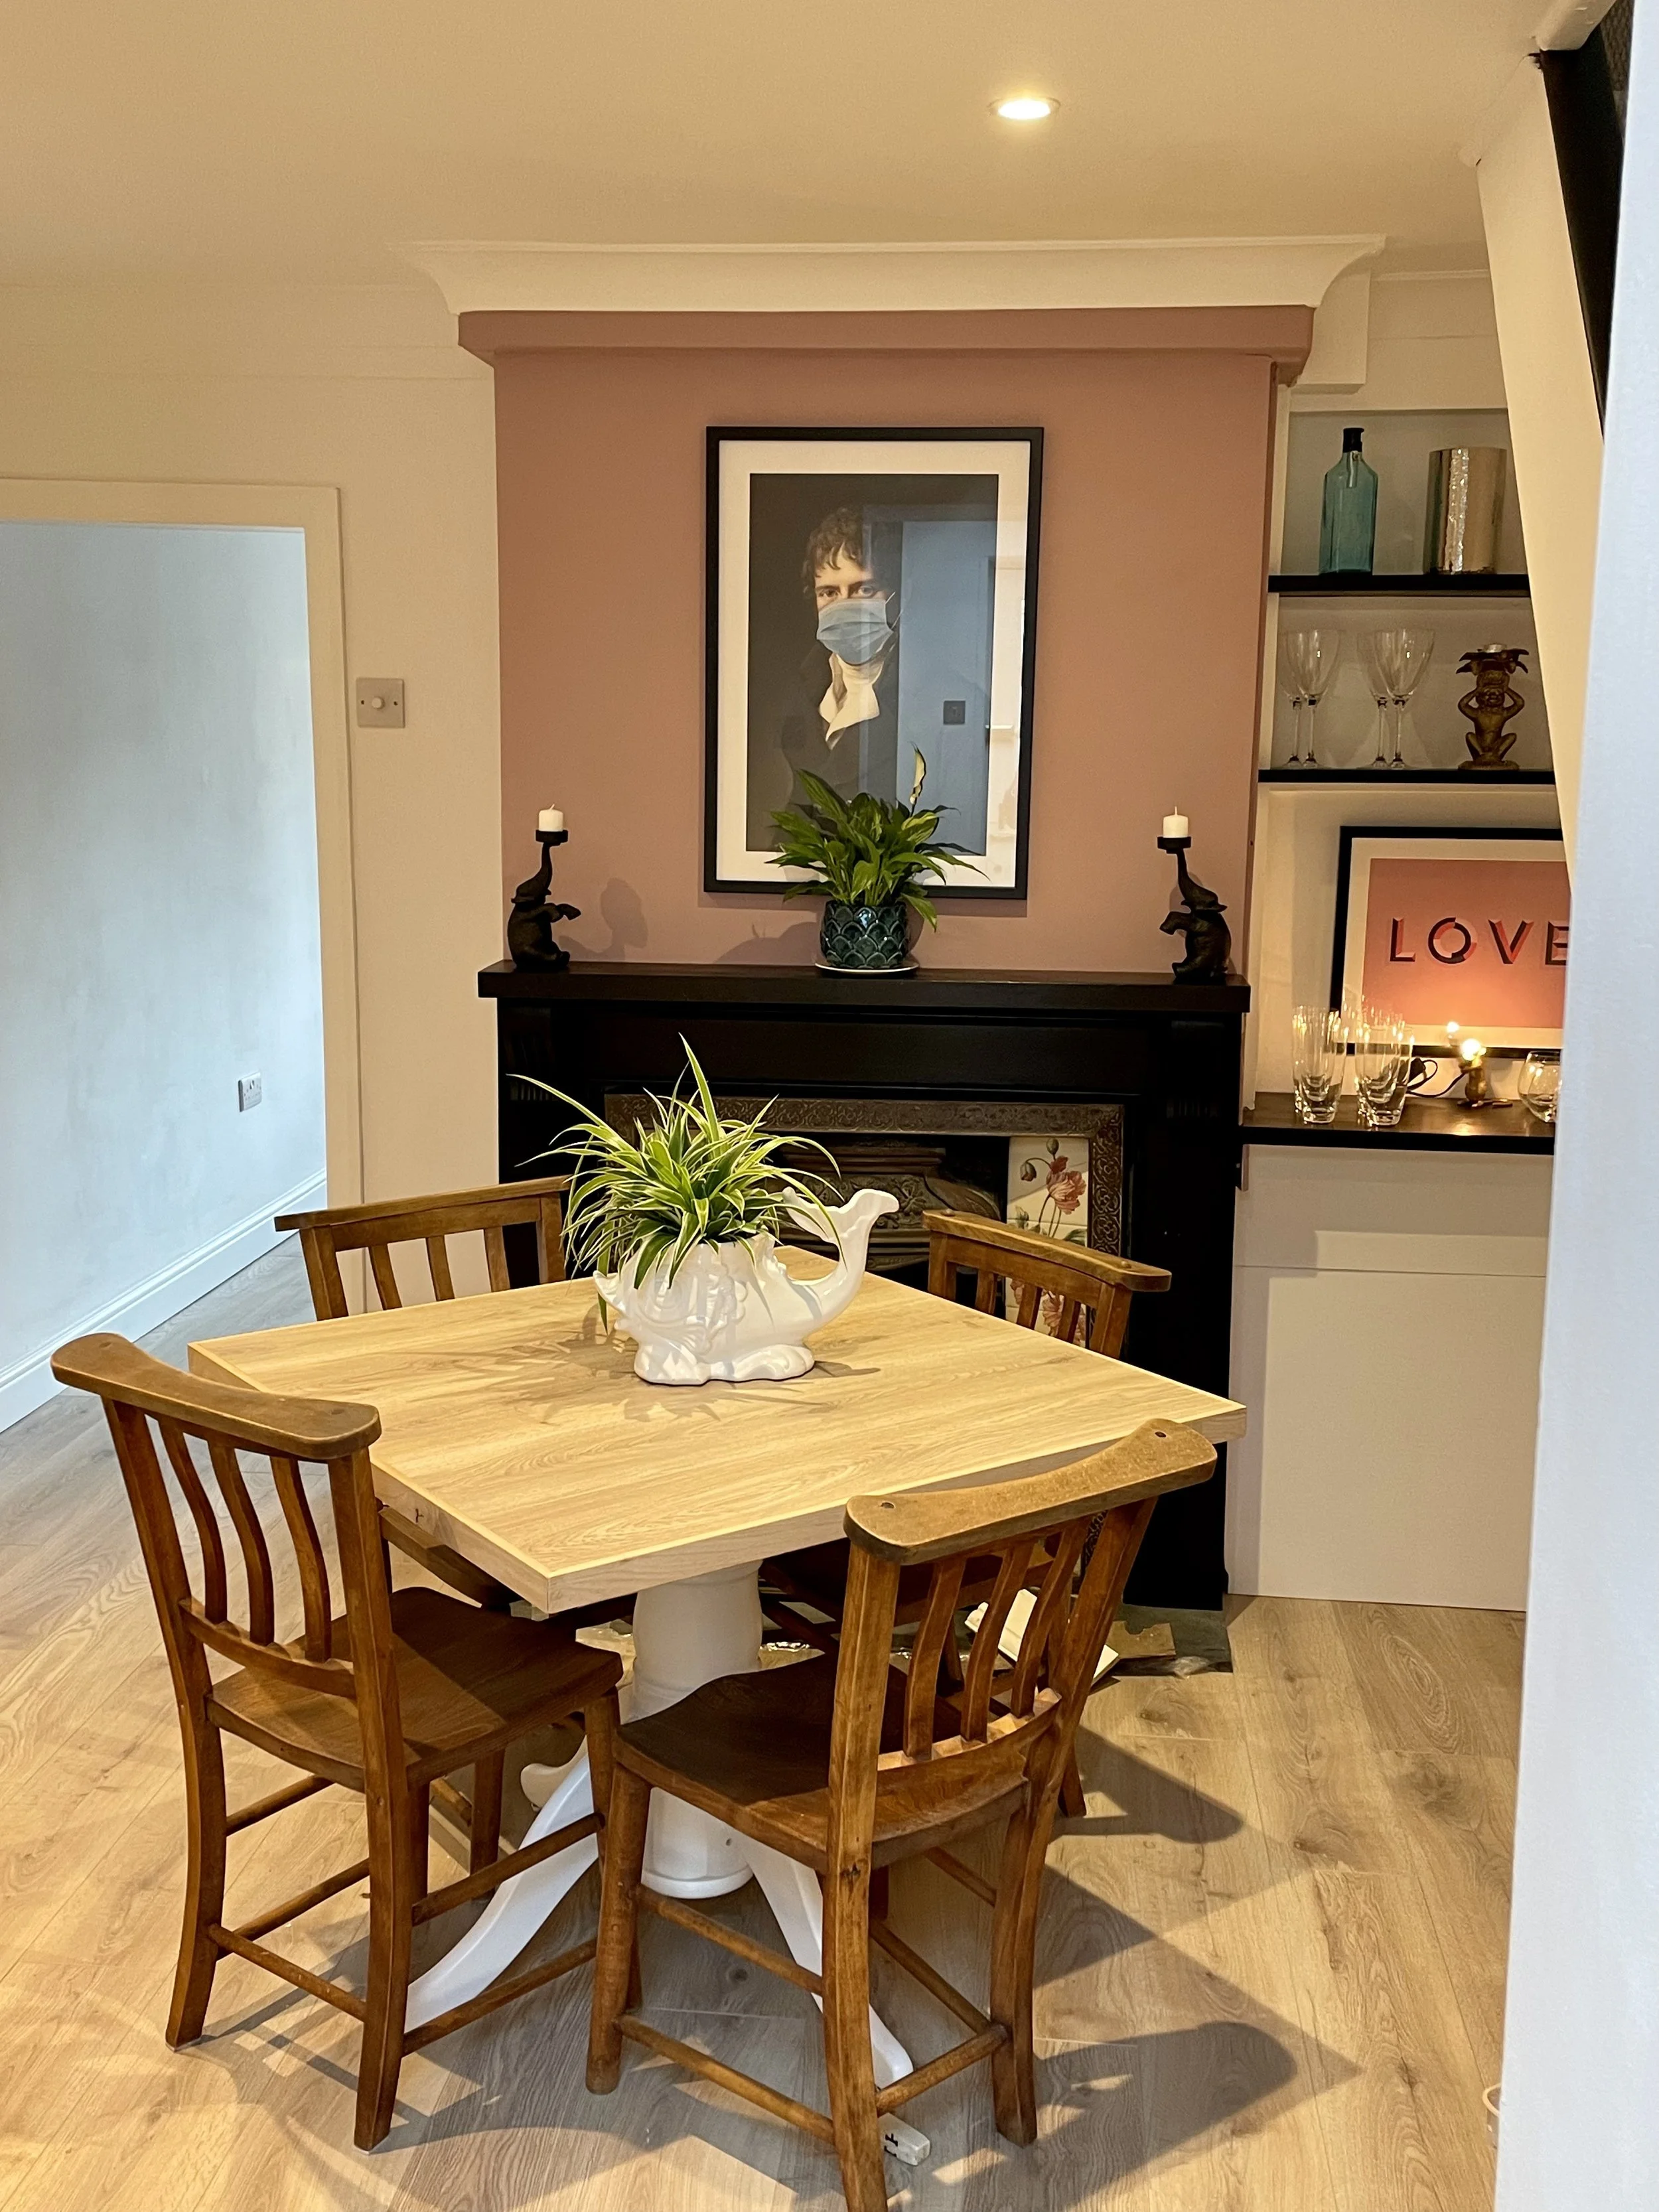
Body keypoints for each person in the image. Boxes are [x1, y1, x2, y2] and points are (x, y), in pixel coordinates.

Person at [778, 506, 901, 808]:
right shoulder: (807, 689)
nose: (845, 607)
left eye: (864, 589)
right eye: (829, 593)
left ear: (897, 594)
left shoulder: (925, 698)